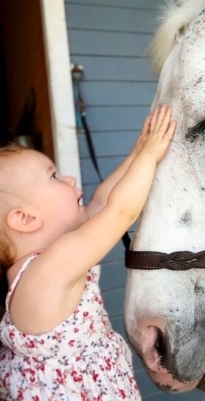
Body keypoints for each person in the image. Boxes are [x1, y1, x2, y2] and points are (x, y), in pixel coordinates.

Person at [0, 105, 176, 400]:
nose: (69, 179)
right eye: (54, 176)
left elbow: (102, 204)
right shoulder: (46, 272)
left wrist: (135, 154)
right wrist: (150, 156)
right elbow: (118, 212)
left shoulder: (51, 259)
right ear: (25, 219)